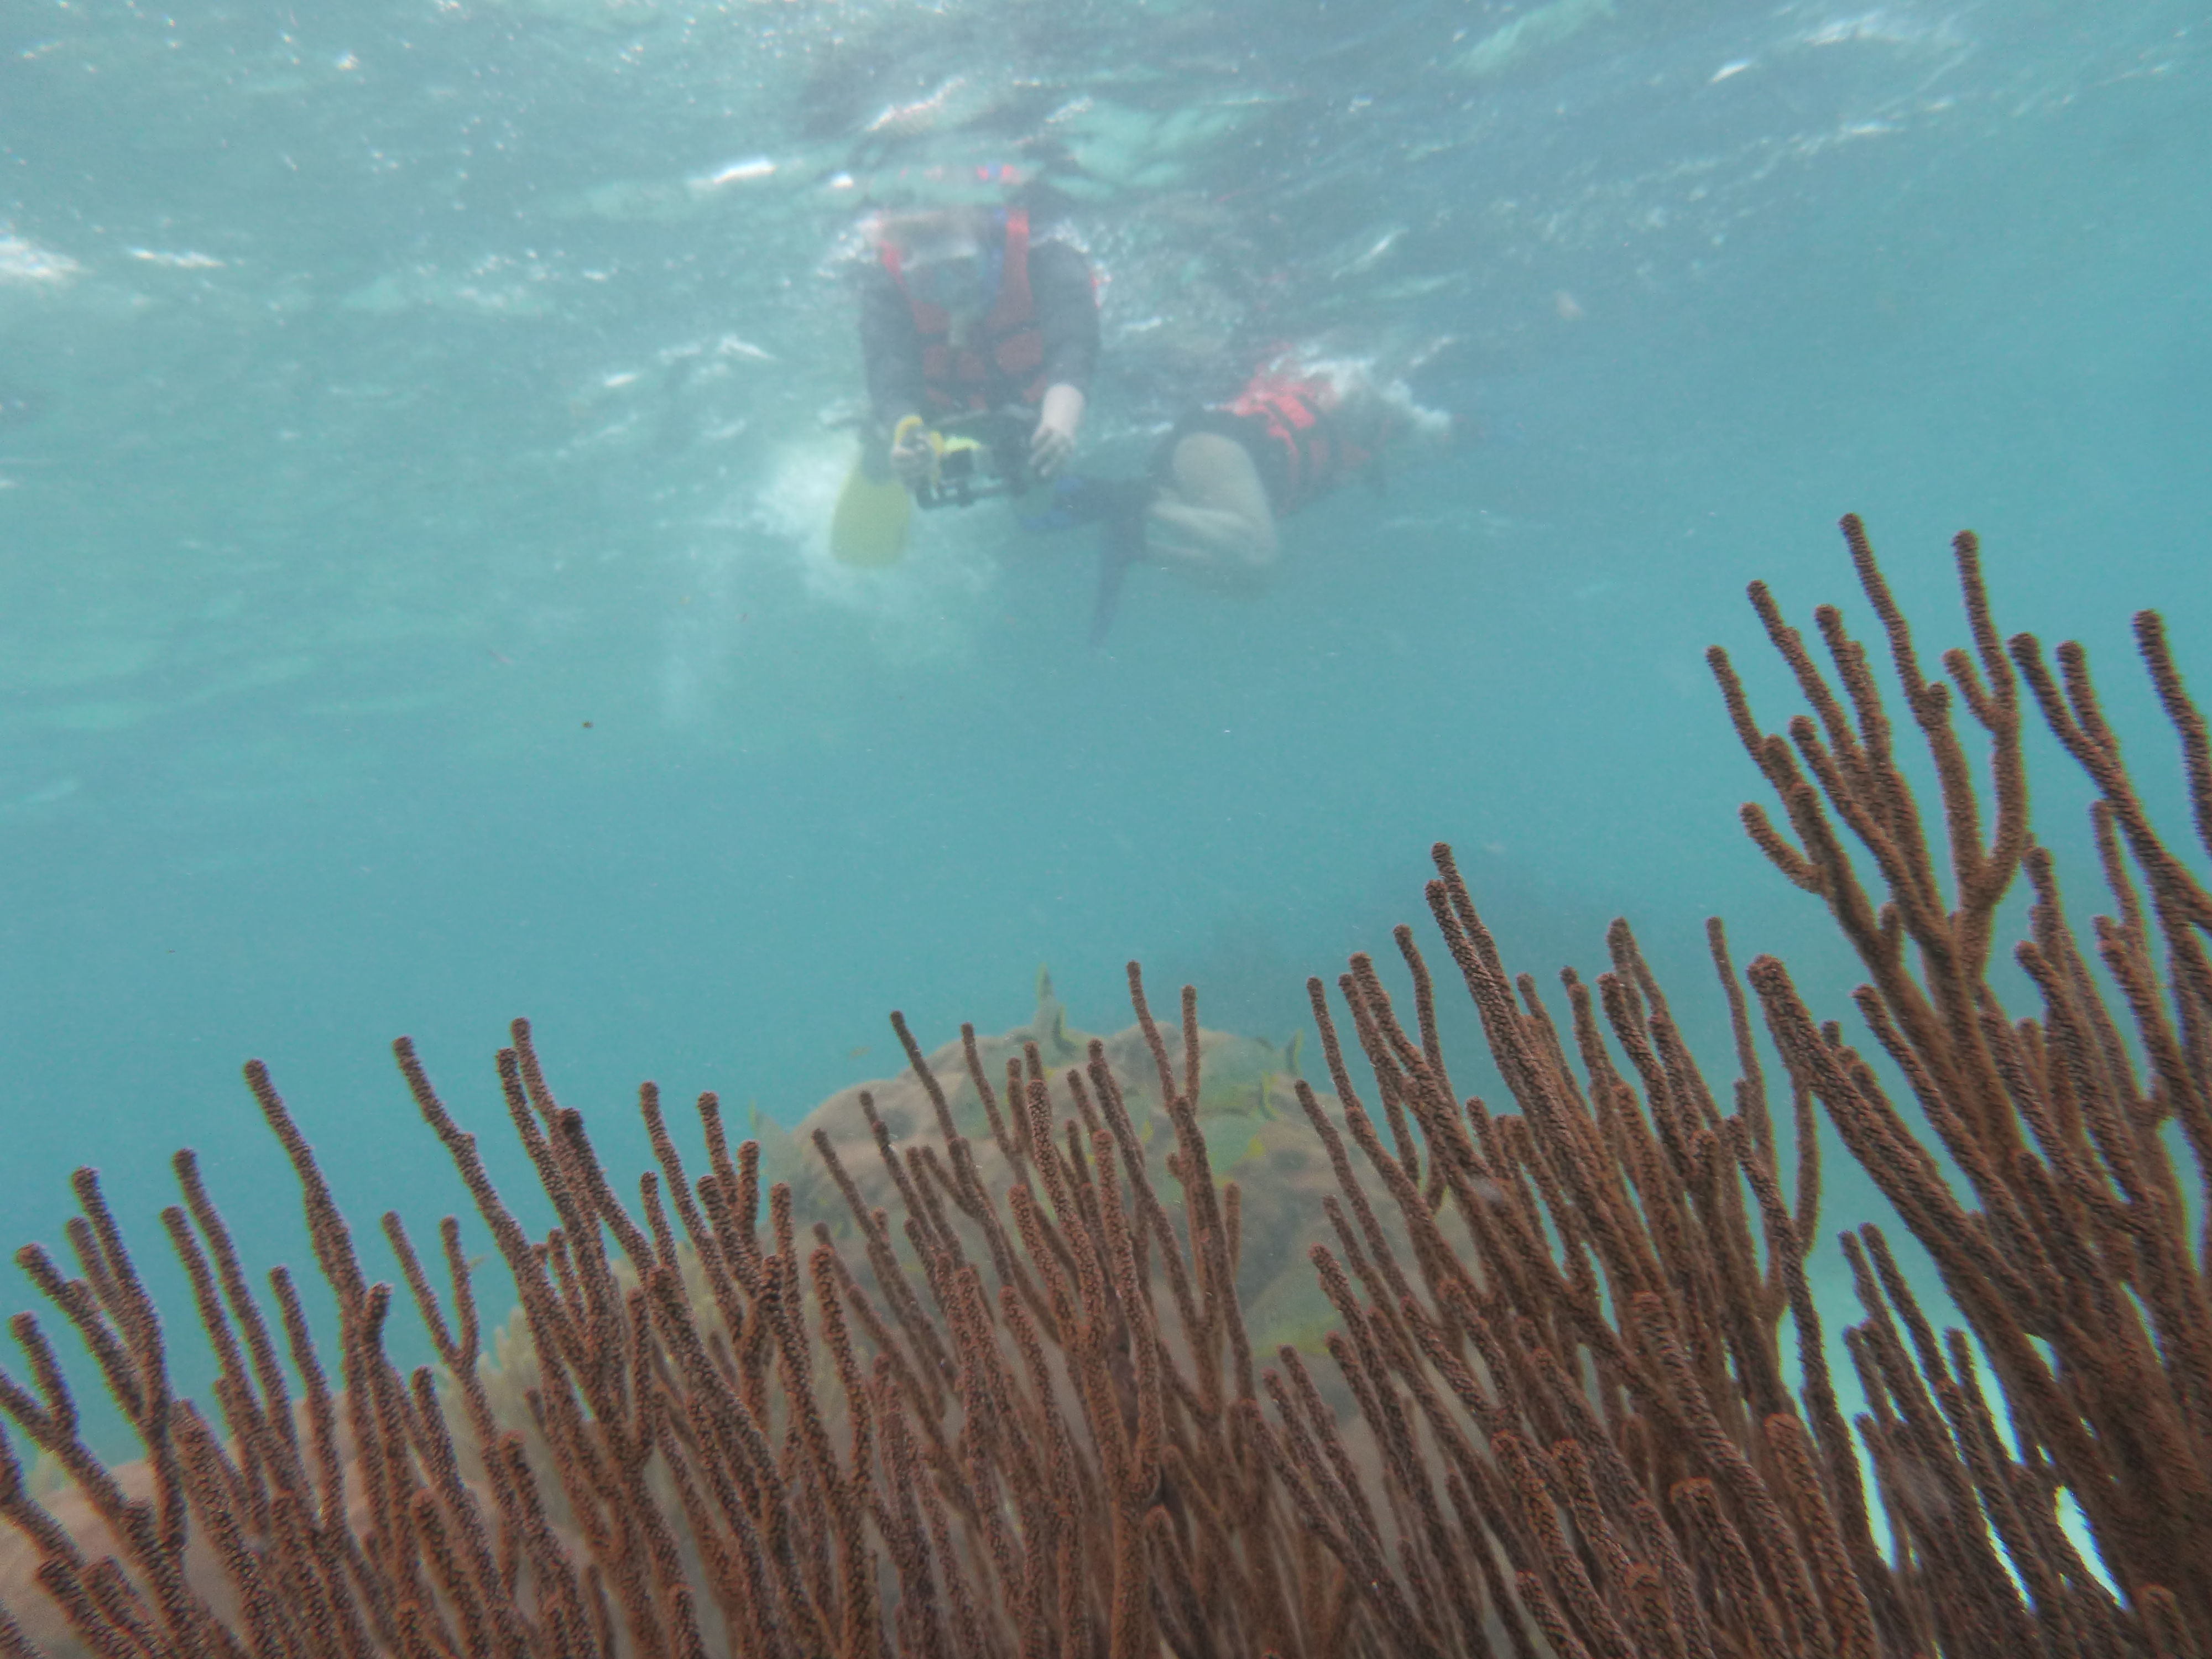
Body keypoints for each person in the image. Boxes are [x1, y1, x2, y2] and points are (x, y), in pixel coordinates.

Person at [1041, 358, 1451, 635]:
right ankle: (1128, 499)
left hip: (1207, 465)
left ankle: (1135, 544)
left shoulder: (1361, 459)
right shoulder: (1366, 404)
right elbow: (1362, 388)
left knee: (1252, 584)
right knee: (1260, 553)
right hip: (1218, 443)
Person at [859, 200, 1100, 487]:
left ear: (991, 252)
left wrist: (1059, 425)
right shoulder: (885, 288)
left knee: (1035, 464)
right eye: (927, 279)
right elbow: (888, 370)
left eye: (962, 270)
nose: (950, 294)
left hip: (1033, 407)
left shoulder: (1046, 257)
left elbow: (1073, 347)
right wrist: (906, 432)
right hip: (936, 409)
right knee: (879, 447)